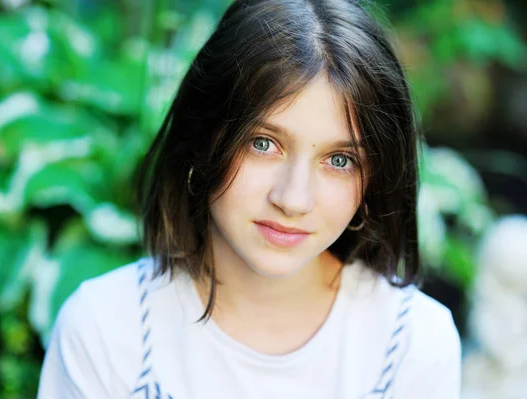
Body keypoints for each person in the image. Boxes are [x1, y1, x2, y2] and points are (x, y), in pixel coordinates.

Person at [37, 0, 461, 398]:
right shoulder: (106, 329)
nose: (293, 199)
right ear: (203, 138)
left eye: (339, 159)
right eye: (262, 143)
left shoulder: (412, 344)